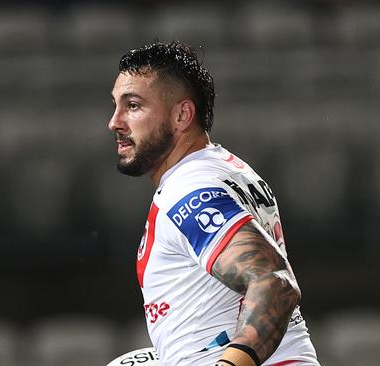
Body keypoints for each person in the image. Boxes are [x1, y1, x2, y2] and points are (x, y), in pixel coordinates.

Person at [108, 41, 320, 366]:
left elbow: (274, 283)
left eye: (133, 106)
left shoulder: (189, 190)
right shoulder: (229, 170)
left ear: (182, 115)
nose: (115, 122)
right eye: (116, 106)